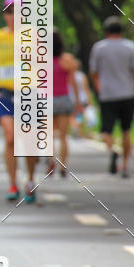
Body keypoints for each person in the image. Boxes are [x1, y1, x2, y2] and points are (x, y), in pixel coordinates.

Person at [89, 15, 134, 177]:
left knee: (106, 131)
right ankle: (125, 165)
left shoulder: (99, 48)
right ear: (121, 31)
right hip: (128, 94)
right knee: (126, 130)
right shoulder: (131, 47)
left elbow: (94, 73)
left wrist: (99, 88)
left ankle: (113, 151)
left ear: (106, 31)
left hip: (107, 94)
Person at [0, 0, 38, 202]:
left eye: (17, 12)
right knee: (10, 137)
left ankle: (29, 179)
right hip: (4, 91)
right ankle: (12, 183)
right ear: (4, 15)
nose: (12, 16)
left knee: (27, 141)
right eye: (9, 12)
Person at [48, 30, 80, 176]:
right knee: (63, 136)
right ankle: (62, 166)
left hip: (47, 99)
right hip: (63, 99)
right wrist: (78, 102)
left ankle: (50, 161)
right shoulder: (68, 60)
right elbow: (73, 83)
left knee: (49, 135)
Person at [70, 60, 94, 136]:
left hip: (71, 98)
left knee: (73, 115)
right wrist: (89, 99)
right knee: (79, 115)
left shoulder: (68, 75)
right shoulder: (81, 76)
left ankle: (75, 127)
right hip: (82, 98)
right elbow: (86, 88)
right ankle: (78, 129)